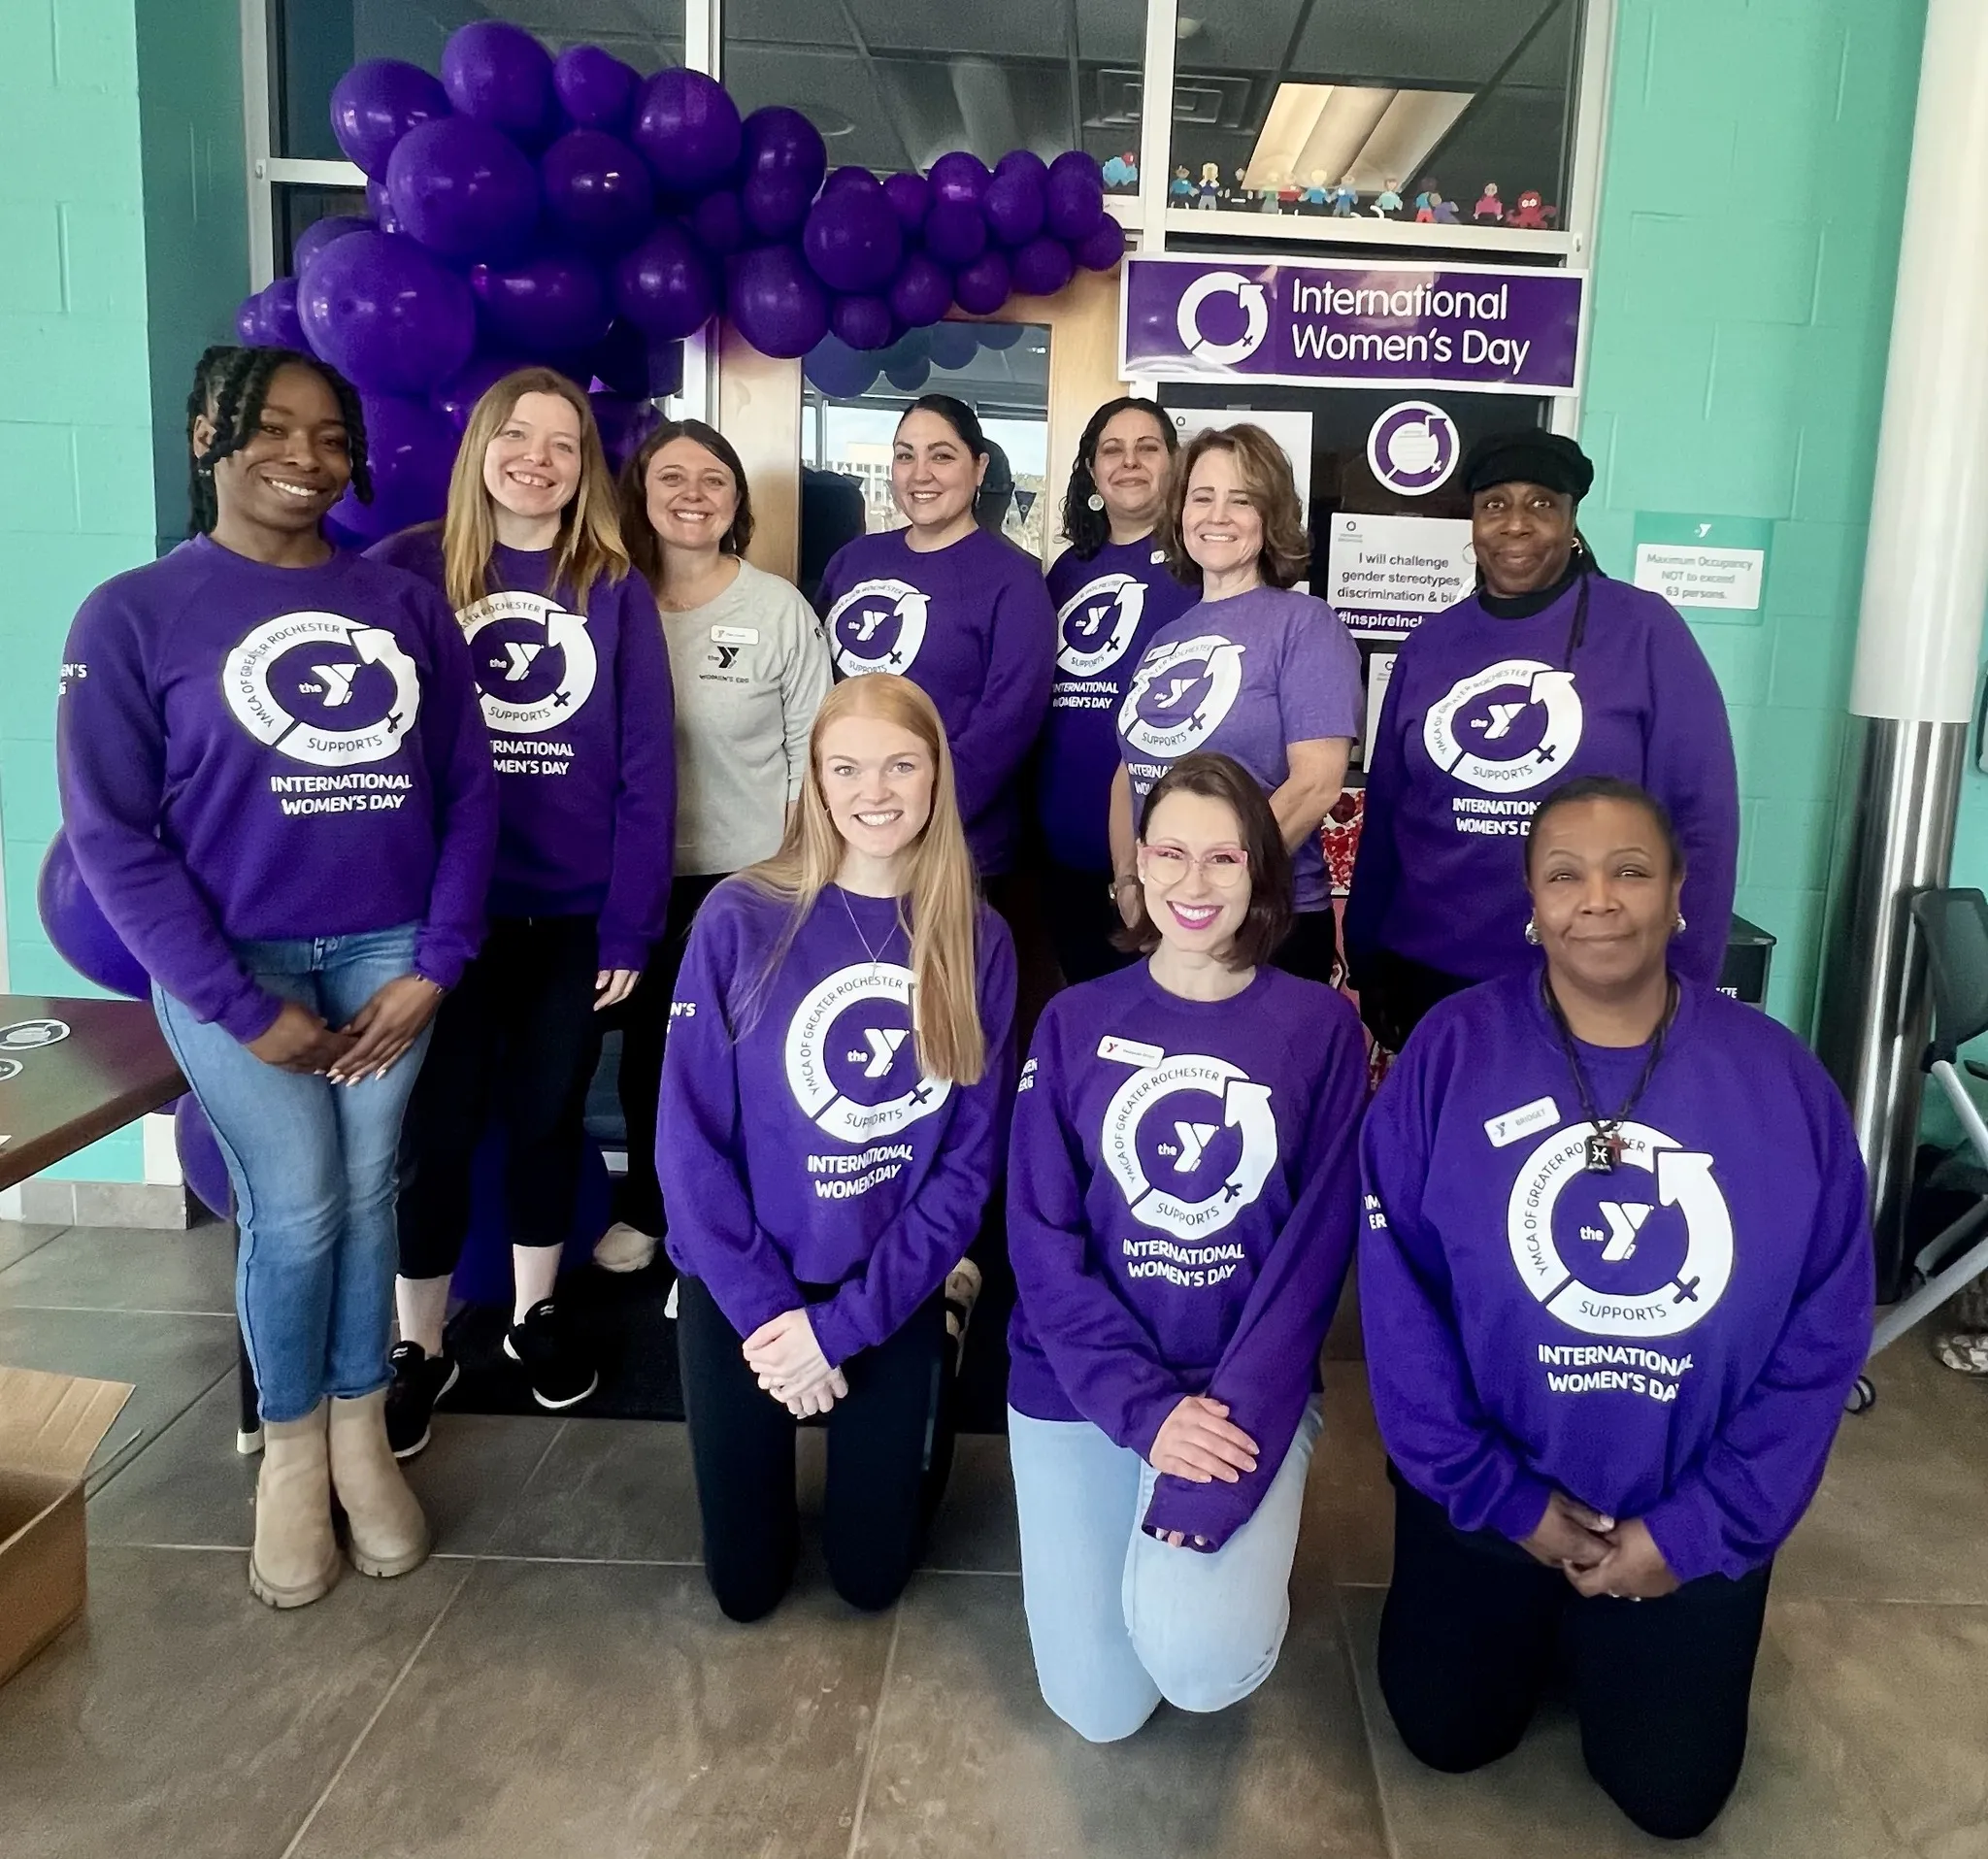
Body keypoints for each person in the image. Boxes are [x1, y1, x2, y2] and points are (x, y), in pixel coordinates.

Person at [57, 347, 496, 1608]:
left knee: (367, 1190)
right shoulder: (134, 614)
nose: (305, 456)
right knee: (297, 1201)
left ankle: (365, 1439)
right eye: (274, 428)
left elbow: (468, 792)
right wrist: (244, 1006)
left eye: (330, 436)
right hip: (229, 966)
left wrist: (436, 964)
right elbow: (109, 836)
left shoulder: (400, 604)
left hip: (389, 956)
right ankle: (291, 1452)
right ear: (210, 431)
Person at [1360, 777, 1872, 1839]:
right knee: (1443, 1735)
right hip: (1488, 1505)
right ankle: (1529, 1614)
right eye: (1564, 874)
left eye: (1629, 870)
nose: (1597, 898)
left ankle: (1620, 1624)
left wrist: (1694, 1529)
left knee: (1669, 1798)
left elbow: (1819, 1344)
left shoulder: (1781, 1084)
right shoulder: (1449, 1056)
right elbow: (1397, 1302)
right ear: (1530, 903)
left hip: (1684, 1519)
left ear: (1678, 894)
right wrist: (1497, 1496)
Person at [1007, 751, 1366, 1742]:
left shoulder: (1318, 1029)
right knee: (1098, 1710)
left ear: (1259, 871)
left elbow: (1310, 1258)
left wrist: (1217, 1431)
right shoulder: (1073, 1020)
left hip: (1239, 1381)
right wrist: (1143, 1412)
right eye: (1168, 853)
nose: (1192, 883)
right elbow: (1040, 1243)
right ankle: (1145, 1541)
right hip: (1078, 1383)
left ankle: (1207, 1574)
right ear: (1137, 867)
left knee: (1198, 1664)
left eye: (1221, 857)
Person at [658, 675, 1017, 1620]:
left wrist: (842, 1327)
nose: (876, 790)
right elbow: (689, 1145)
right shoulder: (739, 917)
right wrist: (772, 1316)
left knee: (871, 1578)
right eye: (846, 767)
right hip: (745, 1280)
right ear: (813, 780)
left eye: (901, 765)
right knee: (744, 1588)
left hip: (885, 1279)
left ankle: (943, 1319)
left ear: (936, 777)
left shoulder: (975, 938)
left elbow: (966, 1167)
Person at [368, 368, 675, 1450]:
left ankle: (537, 1313)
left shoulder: (614, 587)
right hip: (434, 924)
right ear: (483, 447)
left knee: (547, 1119)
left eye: (563, 443)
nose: (538, 459)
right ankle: (421, 1341)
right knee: (434, 1133)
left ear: (585, 466)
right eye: (519, 436)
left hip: (566, 919)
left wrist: (631, 924)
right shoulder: (404, 570)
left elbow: (645, 771)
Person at [1345, 429, 1740, 1052]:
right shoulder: (1432, 644)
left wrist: (1682, 980)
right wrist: (1367, 951)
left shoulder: (1642, 630)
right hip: (1428, 970)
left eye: (1541, 504)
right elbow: (1391, 810)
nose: (1516, 525)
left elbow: (1702, 819)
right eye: (1494, 504)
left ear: (1571, 519)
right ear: (1473, 520)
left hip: (1591, 976)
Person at [594, 418, 833, 1275]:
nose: (693, 494)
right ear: (640, 493)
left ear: (737, 500)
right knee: (650, 1059)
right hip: (630, 877)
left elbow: (817, 750)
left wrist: (799, 874)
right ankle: (652, 1211)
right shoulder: (606, 598)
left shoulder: (775, 609)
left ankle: (747, 1216)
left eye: (714, 480)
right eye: (672, 478)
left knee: (748, 1059)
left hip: (748, 879)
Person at [1110, 422, 1359, 983]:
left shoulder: (1305, 625)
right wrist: (1132, 884)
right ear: (1179, 513)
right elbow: (1131, 774)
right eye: (1202, 497)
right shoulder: (1165, 636)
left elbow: (1315, 783)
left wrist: (1216, 886)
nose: (1217, 515)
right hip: (1169, 918)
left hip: (1268, 924)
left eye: (1241, 499)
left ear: (1269, 517)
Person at [815, 393, 1056, 881]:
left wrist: (916, 815)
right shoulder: (852, 561)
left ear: (979, 466)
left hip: (952, 848)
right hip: (847, 839)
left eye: (941, 455)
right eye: (906, 455)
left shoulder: (1014, 580)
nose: (920, 473)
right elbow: (814, 689)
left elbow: (1006, 723)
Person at [1038, 397, 1195, 984]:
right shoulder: (1068, 570)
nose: (1129, 463)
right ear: (1091, 470)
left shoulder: (1200, 566)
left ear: (1175, 465)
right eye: (1112, 449)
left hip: (1168, 840)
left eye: (1147, 448)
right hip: (1064, 839)